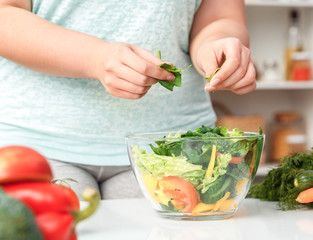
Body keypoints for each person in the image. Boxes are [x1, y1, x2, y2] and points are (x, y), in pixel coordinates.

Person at [0, 0, 256, 199]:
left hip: (171, 148)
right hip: (37, 146)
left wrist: (216, 46)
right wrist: (95, 57)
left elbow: (221, 16)